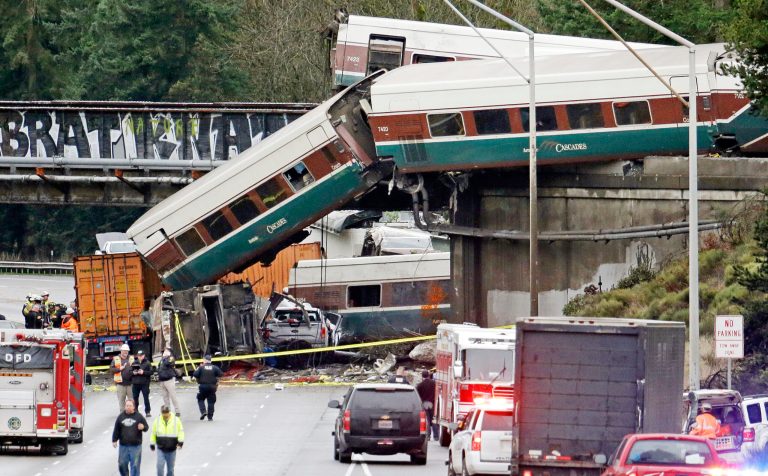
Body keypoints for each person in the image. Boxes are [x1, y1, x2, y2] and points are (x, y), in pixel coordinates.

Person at [112, 399, 148, 476]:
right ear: (125, 407)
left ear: (134, 407)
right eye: (127, 406)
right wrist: (114, 440)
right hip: (123, 446)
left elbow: (146, 427)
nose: (128, 407)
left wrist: (143, 427)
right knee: (122, 464)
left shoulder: (139, 416)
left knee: (135, 466)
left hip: (136, 447)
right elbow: (116, 429)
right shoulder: (120, 417)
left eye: (130, 406)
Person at [150, 405, 185, 476]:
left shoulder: (176, 420)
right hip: (161, 448)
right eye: (163, 413)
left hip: (172, 449)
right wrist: (152, 443)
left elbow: (180, 431)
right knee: (159, 467)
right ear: (161, 412)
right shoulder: (157, 421)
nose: (165, 414)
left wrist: (180, 442)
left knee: (170, 470)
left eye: (166, 412)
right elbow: (153, 433)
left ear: (169, 412)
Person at [193, 354, 223, 421]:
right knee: (211, 401)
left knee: (200, 399)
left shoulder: (201, 367)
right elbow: (221, 374)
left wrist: (198, 369)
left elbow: (195, 374)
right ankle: (210, 417)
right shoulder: (215, 367)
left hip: (203, 386)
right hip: (212, 387)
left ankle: (203, 412)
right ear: (210, 360)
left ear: (205, 360)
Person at [111, 344, 135, 412]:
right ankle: (122, 414)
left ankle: (132, 413)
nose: (125, 352)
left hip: (130, 383)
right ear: (121, 351)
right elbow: (111, 369)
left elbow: (135, 367)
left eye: (127, 351)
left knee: (131, 401)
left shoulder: (131, 358)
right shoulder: (116, 359)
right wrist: (119, 369)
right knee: (121, 401)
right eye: (124, 351)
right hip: (120, 384)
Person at [416, 370, 439, 440]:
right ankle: (436, 436)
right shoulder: (434, 383)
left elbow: (417, 395)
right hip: (432, 403)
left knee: (427, 420)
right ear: (428, 375)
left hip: (424, 403)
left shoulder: (420, 385)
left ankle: (428, 436)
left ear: (422, 376)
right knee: (433, 420)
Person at [157, 350, 181, 416]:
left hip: (169, 380)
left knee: (173, 396)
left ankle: (177, 411)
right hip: (162, 380)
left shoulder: (170, 358)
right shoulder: (161, 360)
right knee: (165, 397)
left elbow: (168, 363)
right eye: (163, 352)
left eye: (165, 352)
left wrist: (166, 357)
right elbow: (159, 368)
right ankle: (168, 411)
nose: (164, 353)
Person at [132, 350, 153, 417]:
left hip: (144, 383)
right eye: (138, 356)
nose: (140, 357)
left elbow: (151, 372)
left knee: (146, 398)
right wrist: (133, 373)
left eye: (141, 356)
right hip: (135, 383)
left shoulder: (147, 363)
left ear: (144, 355)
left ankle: (148, 411)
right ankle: (136, 410)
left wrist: (143, 372)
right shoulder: (134, 362)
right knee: (135, 398)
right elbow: (130, 371)